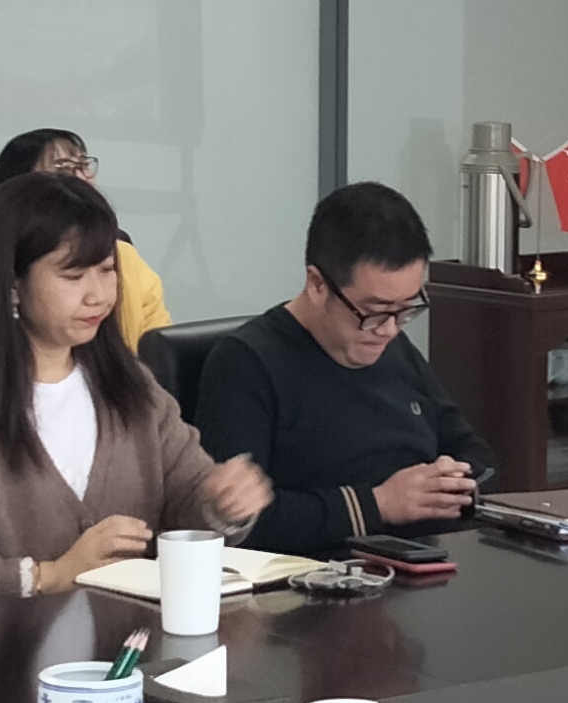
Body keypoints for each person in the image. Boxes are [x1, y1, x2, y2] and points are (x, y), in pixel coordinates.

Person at [0, 173, 269, 609]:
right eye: (73, 275)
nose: (99, 295)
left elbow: (189, 496)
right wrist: (49, 576)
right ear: (13, 285)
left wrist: (220, 504)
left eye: (107, 270)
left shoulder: (128, 382)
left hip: (130, 646)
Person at [193, 182, 496, 556]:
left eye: (406, 309)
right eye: (373, 311)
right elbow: (241, 522)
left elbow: (474, 452)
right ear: (317, 284)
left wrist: (452, 479)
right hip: (323, 576)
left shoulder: (393, 346)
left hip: (432, 558)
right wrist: (378, 504)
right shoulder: (247, 363)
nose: (389, 329)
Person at [0, 129, 169, 344]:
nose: (83, 179)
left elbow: (159, 347)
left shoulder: (124, 255)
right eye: (64, 169)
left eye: (84, 165)